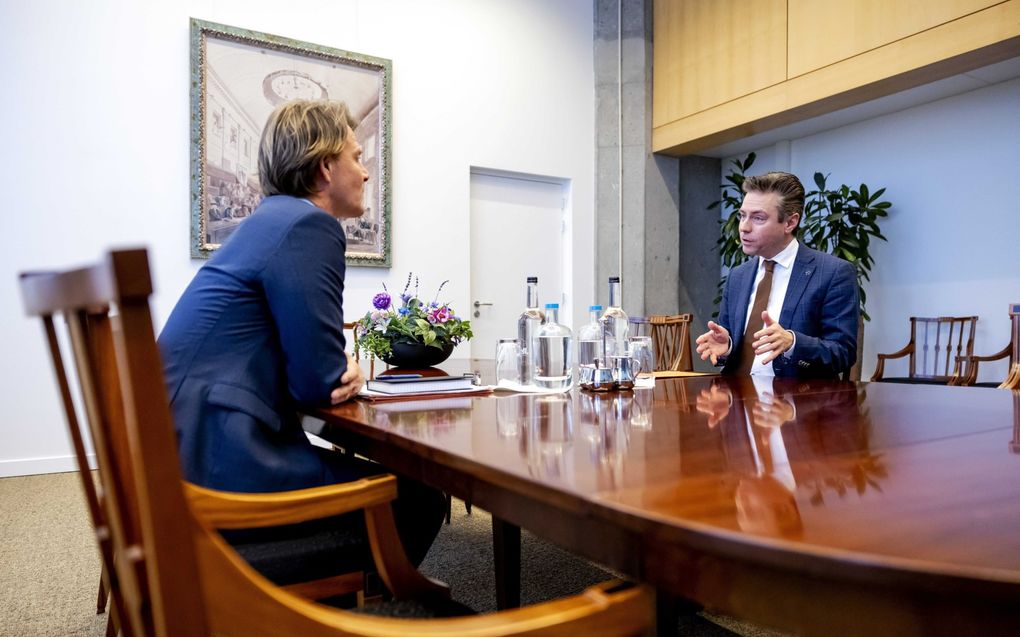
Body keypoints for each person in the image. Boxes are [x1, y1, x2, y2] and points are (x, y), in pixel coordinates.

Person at [159, 99, 444, 565]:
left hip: (180, 452)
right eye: (356, 156)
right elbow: (320, 380)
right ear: (326, 166)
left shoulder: (270, 221)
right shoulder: (307, 225)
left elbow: (311, 372)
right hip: (221, 464)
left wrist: (334, 368)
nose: (366, 172)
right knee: (420, 499)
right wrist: (345, 366)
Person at [695, 171, 859, 379]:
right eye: (742, 216)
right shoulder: (738, 276)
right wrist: (727, 347)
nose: (744, 227)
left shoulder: (833, 272)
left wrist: (793, 343)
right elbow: (730, 347)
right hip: (735, 399)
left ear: (790, 222)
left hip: (797, 402)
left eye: (758, 218)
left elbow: (843, 353)